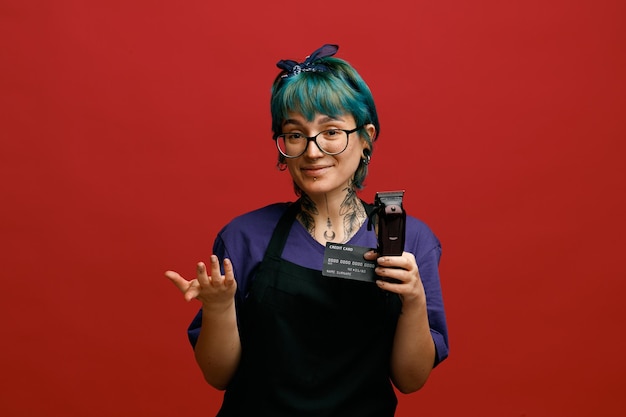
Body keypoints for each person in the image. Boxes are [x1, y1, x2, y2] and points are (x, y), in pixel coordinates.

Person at [165, 44, 448, 417]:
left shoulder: (411, 241)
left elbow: (411, 380)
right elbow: (218, 375)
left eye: (331, 131)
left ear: (366, 138)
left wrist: (412, 301)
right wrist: (218, 309)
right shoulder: (244, 236)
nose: (313, 151)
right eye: (296, 135)